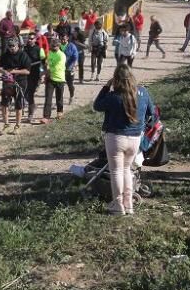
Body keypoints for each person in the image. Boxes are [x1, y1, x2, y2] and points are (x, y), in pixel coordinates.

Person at [93, 64, 153, 215]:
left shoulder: (113, 96)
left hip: (115, 137)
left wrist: (106, 87)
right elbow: (151, 112)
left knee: (116, 172)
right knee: (127, 170)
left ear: (116, 79)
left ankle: (118, 204)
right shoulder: (143, 92)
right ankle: (129, 204)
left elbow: (97, 105)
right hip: (135, 138)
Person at [0, 38, 31, 133]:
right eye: (10, 46)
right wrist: (4, 71)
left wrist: (13, 71)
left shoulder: (23, 55)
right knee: (4, 104)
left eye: (13, 46)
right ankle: (6, 125)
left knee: (18, 104)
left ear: (18, 46)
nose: (11, 48)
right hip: (7, 82)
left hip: (20, 82)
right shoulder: (5, 55)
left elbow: (27, 71)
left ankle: (17, 126)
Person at [43, 37, 66, 122]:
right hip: (50, 79)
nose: (52, 47)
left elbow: (56, 68)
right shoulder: (49, 53)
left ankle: (59, 112)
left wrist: (48, 66)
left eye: (54, 46)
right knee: (48, 98)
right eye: (51, 45)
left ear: (59, 46)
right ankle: (46, 117)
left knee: (59, 98)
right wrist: (46, 68)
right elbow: (47, 63)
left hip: (60, 79)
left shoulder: (62, 55)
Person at [24, 32, 44, 119]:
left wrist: (42, 74)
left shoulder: (39, 49)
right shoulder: (24, 49)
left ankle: (30, 113)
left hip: (35, 74)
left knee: (31, 93)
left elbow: (44, 63)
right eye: (29, 38)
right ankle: (32, 107)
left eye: (32, 38)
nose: (30, 40)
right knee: (25, 93)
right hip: (25, 74)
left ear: (35, 39)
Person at [62, 32, 79, 102]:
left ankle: (71, 96)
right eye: (61, 39)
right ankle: (60, 101)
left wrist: (73, 66)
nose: (62, 41)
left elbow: (75, 57)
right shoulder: (58, 46)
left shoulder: (72, 46)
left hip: (69, 69)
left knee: (70, 85)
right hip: (60, 69)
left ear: (67, 39)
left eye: (64, 39)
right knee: (60, 86)